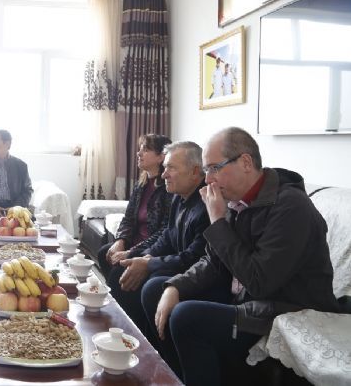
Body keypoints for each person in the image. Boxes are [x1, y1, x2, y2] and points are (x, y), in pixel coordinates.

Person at [142, 127, 339, 385]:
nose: (208, 179)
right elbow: (213, 261)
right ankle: (177, 377)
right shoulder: (235, 199)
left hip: (284, 308)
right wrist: (175, 286)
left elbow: (259, 283)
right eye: (206, 170)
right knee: (156, 289)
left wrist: (217, 222)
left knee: (186, 317)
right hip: (245, 297)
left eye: (214, 168)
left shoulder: (291, 207)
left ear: (246, 162)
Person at [107, 141, 209, 367]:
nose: (164, 175)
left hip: (196, 274)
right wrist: (141, 257)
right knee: (124, 268)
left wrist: (149, 264)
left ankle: (160, 360)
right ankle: (130, 341)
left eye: (171, 168)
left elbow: (195, 258)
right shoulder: (180, 197)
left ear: (195, 172)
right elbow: (167, 238)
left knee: (152, 284)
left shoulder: (206, 205)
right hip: (178, 264)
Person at [97, 134, 173, 278]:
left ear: (161, 157)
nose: (138, 153)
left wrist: (131, 252)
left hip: (151, 249)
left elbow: (164, 231)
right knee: (104, 253)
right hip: (133, 242)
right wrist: (120, 241)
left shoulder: (168, 189)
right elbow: (129, 218)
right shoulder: (141, 185)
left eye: (145, 150)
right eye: (140, 149)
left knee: (117, 273)